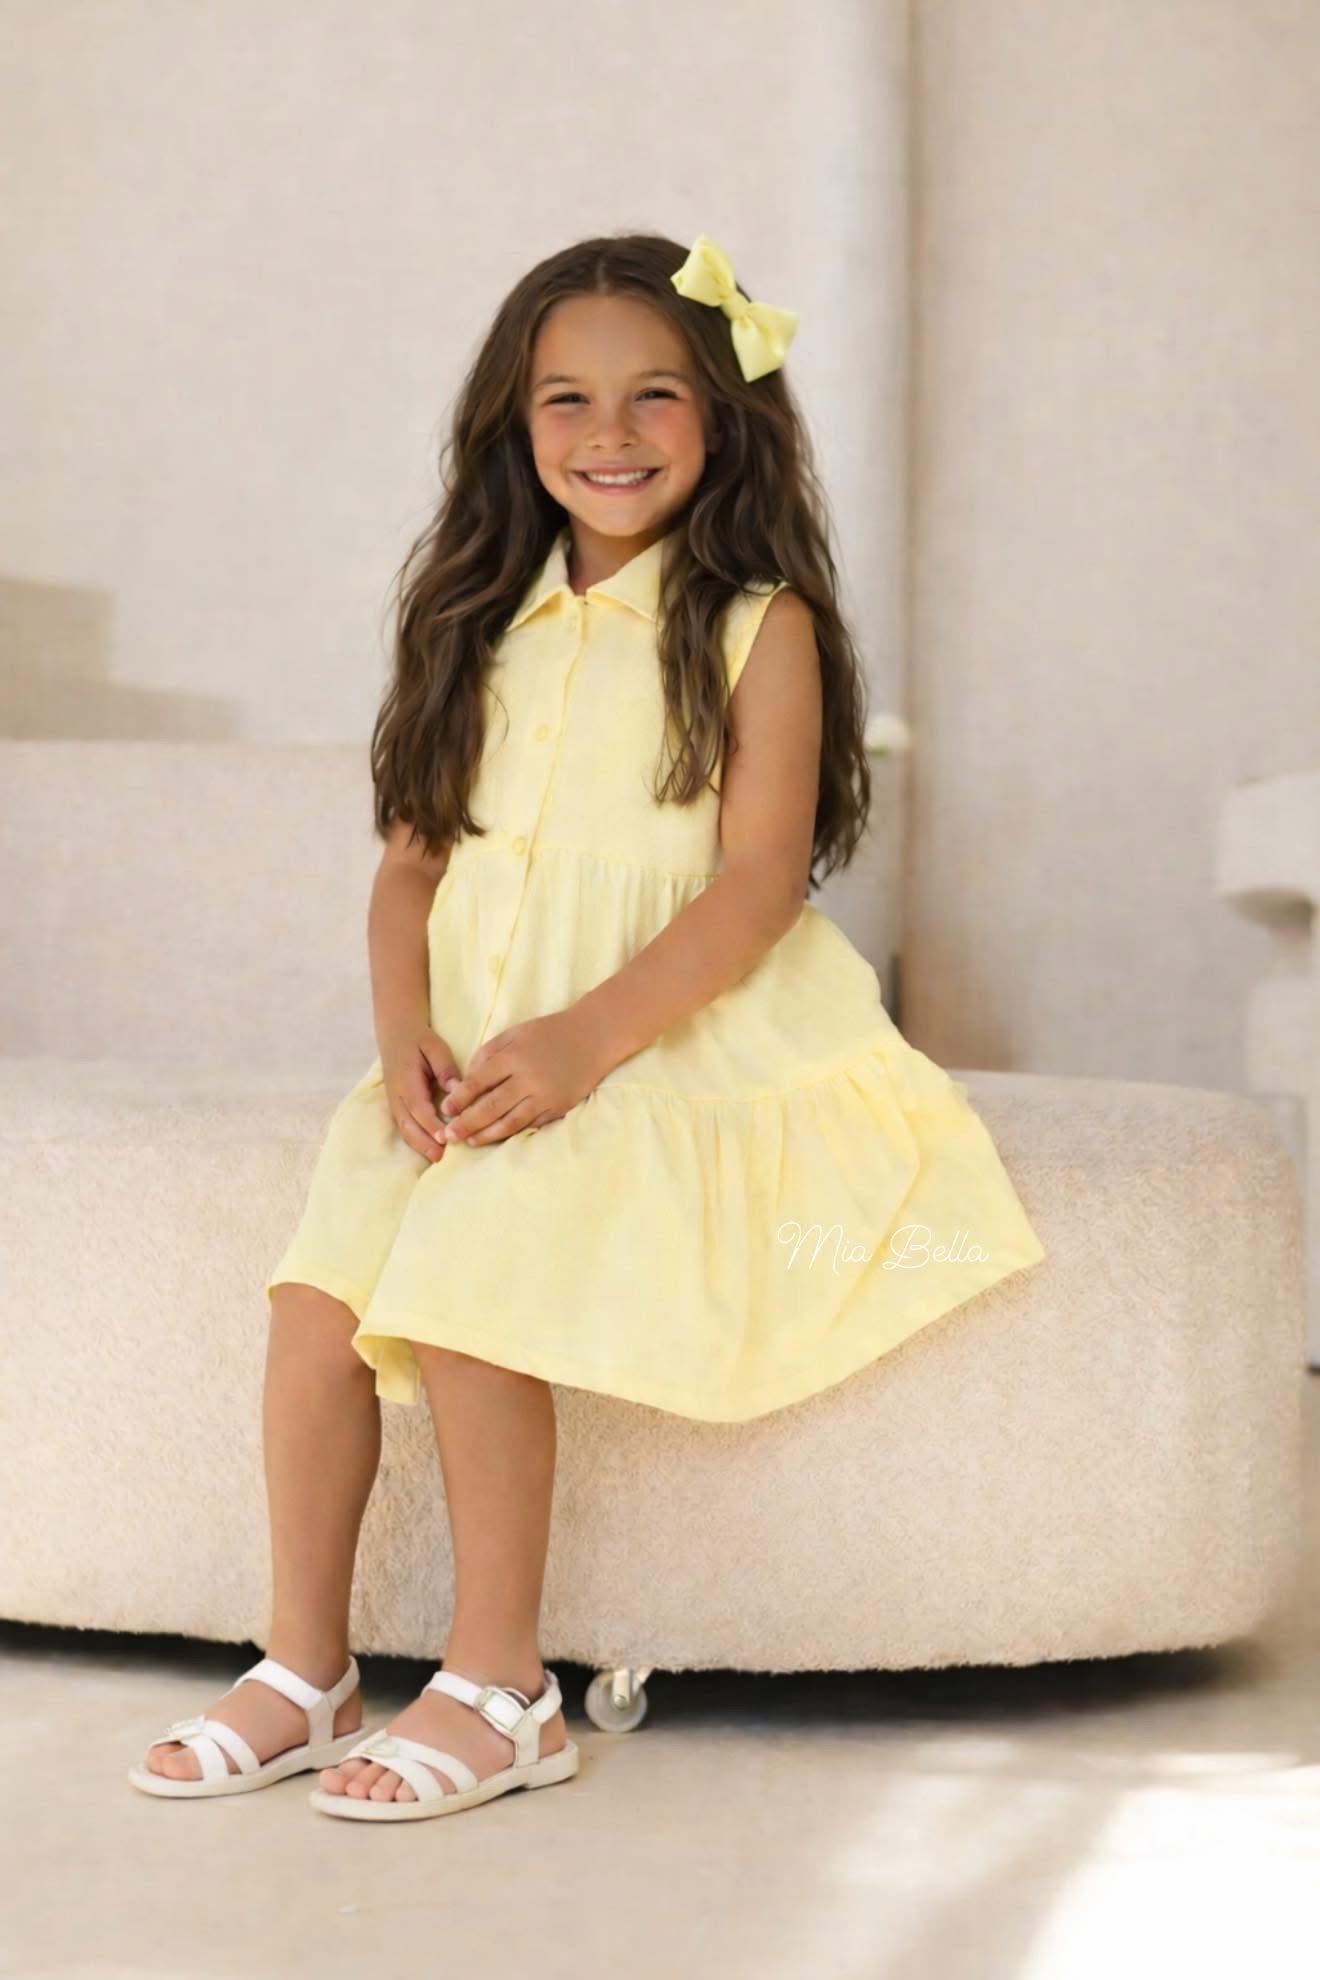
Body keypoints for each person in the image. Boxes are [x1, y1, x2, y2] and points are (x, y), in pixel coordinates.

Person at [128, 229, 1046, 1822]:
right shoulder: (474, 616)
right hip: (469, 1048)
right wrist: (404, 1033)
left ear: (725, 417)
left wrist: (584, 1041)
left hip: (653, 1029)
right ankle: (306, 1665)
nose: (608, 433)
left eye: (653, 395)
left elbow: (758, 885)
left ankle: (504, 1687)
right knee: (314, 1306)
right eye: (567, 398)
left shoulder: (757, 624)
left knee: (472, 1282)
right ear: (516, 420)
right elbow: (410, 866)